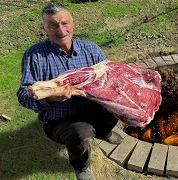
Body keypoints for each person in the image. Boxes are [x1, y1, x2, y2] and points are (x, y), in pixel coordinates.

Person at [17, 2, 123, 180]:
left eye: (65, 23)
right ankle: (81, 166)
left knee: (116, 107)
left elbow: (109, 75)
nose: (61, 30)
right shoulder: (34, 55)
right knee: (81, 133)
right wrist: (50, 98)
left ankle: (104, 132)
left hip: (91, 109)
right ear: (45, 28)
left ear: (72, 24)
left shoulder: (90, 48)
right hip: (59, 120)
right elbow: (22, 95)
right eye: (53, 25)